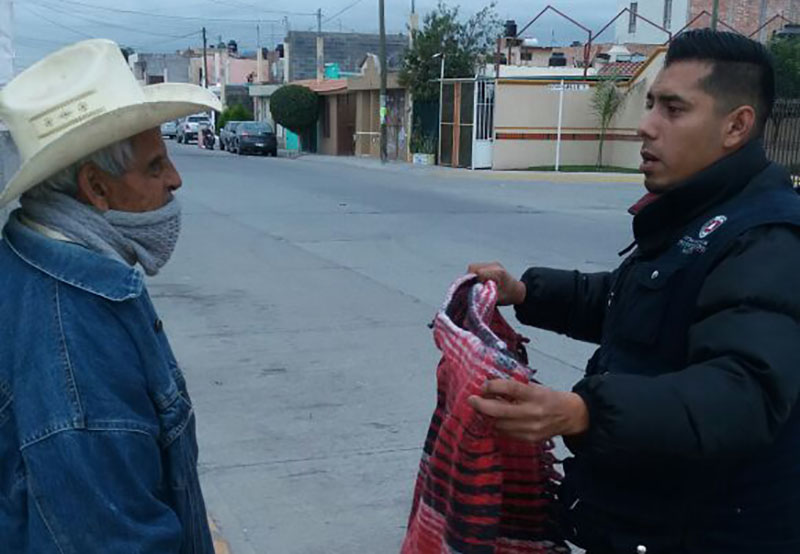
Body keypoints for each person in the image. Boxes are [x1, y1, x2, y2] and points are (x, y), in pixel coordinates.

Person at [468, 29, 800, 554]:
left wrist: (585, 412)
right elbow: (636, 304)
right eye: (650, 104)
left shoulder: (767, 237)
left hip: (707, 533)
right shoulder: (697, 213)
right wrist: (526, 293)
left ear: (736, 126)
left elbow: (742, 394)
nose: (646, 126)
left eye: (673, 109)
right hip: (640, 519)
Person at [0, 39, 222, 552]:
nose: (175, 178)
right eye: (153, 166)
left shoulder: (45, 269)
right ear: (96, 188)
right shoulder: (73, 334)